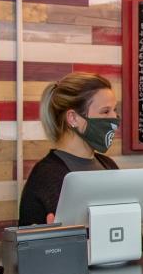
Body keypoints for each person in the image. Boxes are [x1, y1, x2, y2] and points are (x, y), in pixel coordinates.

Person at [18, 72, 119, 227]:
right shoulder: (45, 177)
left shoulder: (109, 165)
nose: (114, 119)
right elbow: (31, 247)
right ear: (73, 118)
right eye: (105, 111)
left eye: (114, 110)